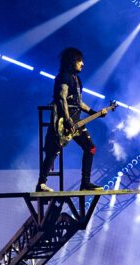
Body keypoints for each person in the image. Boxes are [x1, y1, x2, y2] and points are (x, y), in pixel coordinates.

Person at [36, 47, 107, 192]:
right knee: (52, 151)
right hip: (63, 121)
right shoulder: (64, 76)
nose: (83, 64)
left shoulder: (77, 79)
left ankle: (85, 183)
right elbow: (62, 98)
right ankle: (41, 184)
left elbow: (79, 103)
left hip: (76, 122)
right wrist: (67, 119)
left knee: (90, 147)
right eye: (80, 61)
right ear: (72, 61)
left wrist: (95, 113)